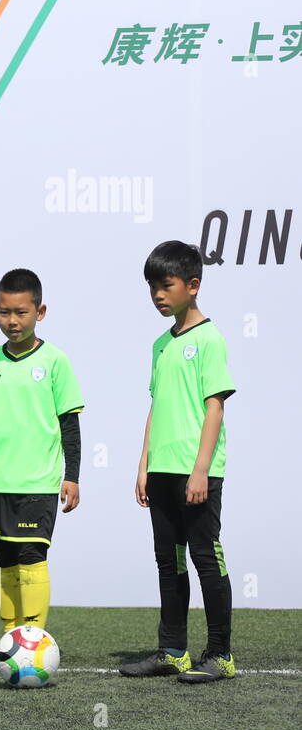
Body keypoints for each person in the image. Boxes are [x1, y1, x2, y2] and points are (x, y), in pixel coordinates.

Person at [120, 241, 236, 683]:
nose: (157, 294)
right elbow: (156, 406)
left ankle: (221, 654)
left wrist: (201, 468)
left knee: (207, 558)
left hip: (197, 471)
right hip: (163, 470)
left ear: (193, 285)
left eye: (165, 285)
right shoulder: (160, 345)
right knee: (168, 561)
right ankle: (173, 650)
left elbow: (215, 407)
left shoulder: (209, 338)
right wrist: (144, 464)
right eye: (152, 286)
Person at [0, 269, 83, 661]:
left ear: (40, 311)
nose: (12, 321)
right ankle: (8, 640)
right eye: (4, 313)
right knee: (4, 561)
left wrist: (72, 477)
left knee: (31, 558)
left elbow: (69, 422)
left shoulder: (55, 362)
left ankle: (33, 642)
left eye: (21, 313)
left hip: (39, 483)